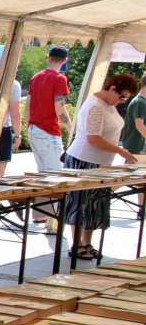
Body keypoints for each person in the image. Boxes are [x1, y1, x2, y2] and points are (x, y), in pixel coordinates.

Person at [64, 73, 140, 261]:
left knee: (96, 203)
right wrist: (120, 151)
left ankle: (87, 242)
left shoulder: (109, 104)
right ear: (112, 88)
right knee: (80, 202)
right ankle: (76, 244)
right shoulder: (95, 106)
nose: (121, 101)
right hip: (83, 159)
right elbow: (93, 139)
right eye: (121, 96)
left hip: (101, 161)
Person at [26, 46, 73, 222]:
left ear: (48, 58)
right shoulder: (60, 79)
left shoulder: (36, 77)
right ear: (65, 61)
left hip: (34, 128)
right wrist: (72, 128)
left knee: (42, 175)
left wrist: (29, 125)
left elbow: (28, 105)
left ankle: (40, 215)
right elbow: (59, 107)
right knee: (54, 176)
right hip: (48, 130)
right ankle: (53, 220)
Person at [121, 80, 146, 209]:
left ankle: (141, 209)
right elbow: (139, 125)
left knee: (141, 180)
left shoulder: (141, 102)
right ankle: (98, 197)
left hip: (138, 146)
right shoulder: (140, 102)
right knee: (124, 177)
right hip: (136, 146)